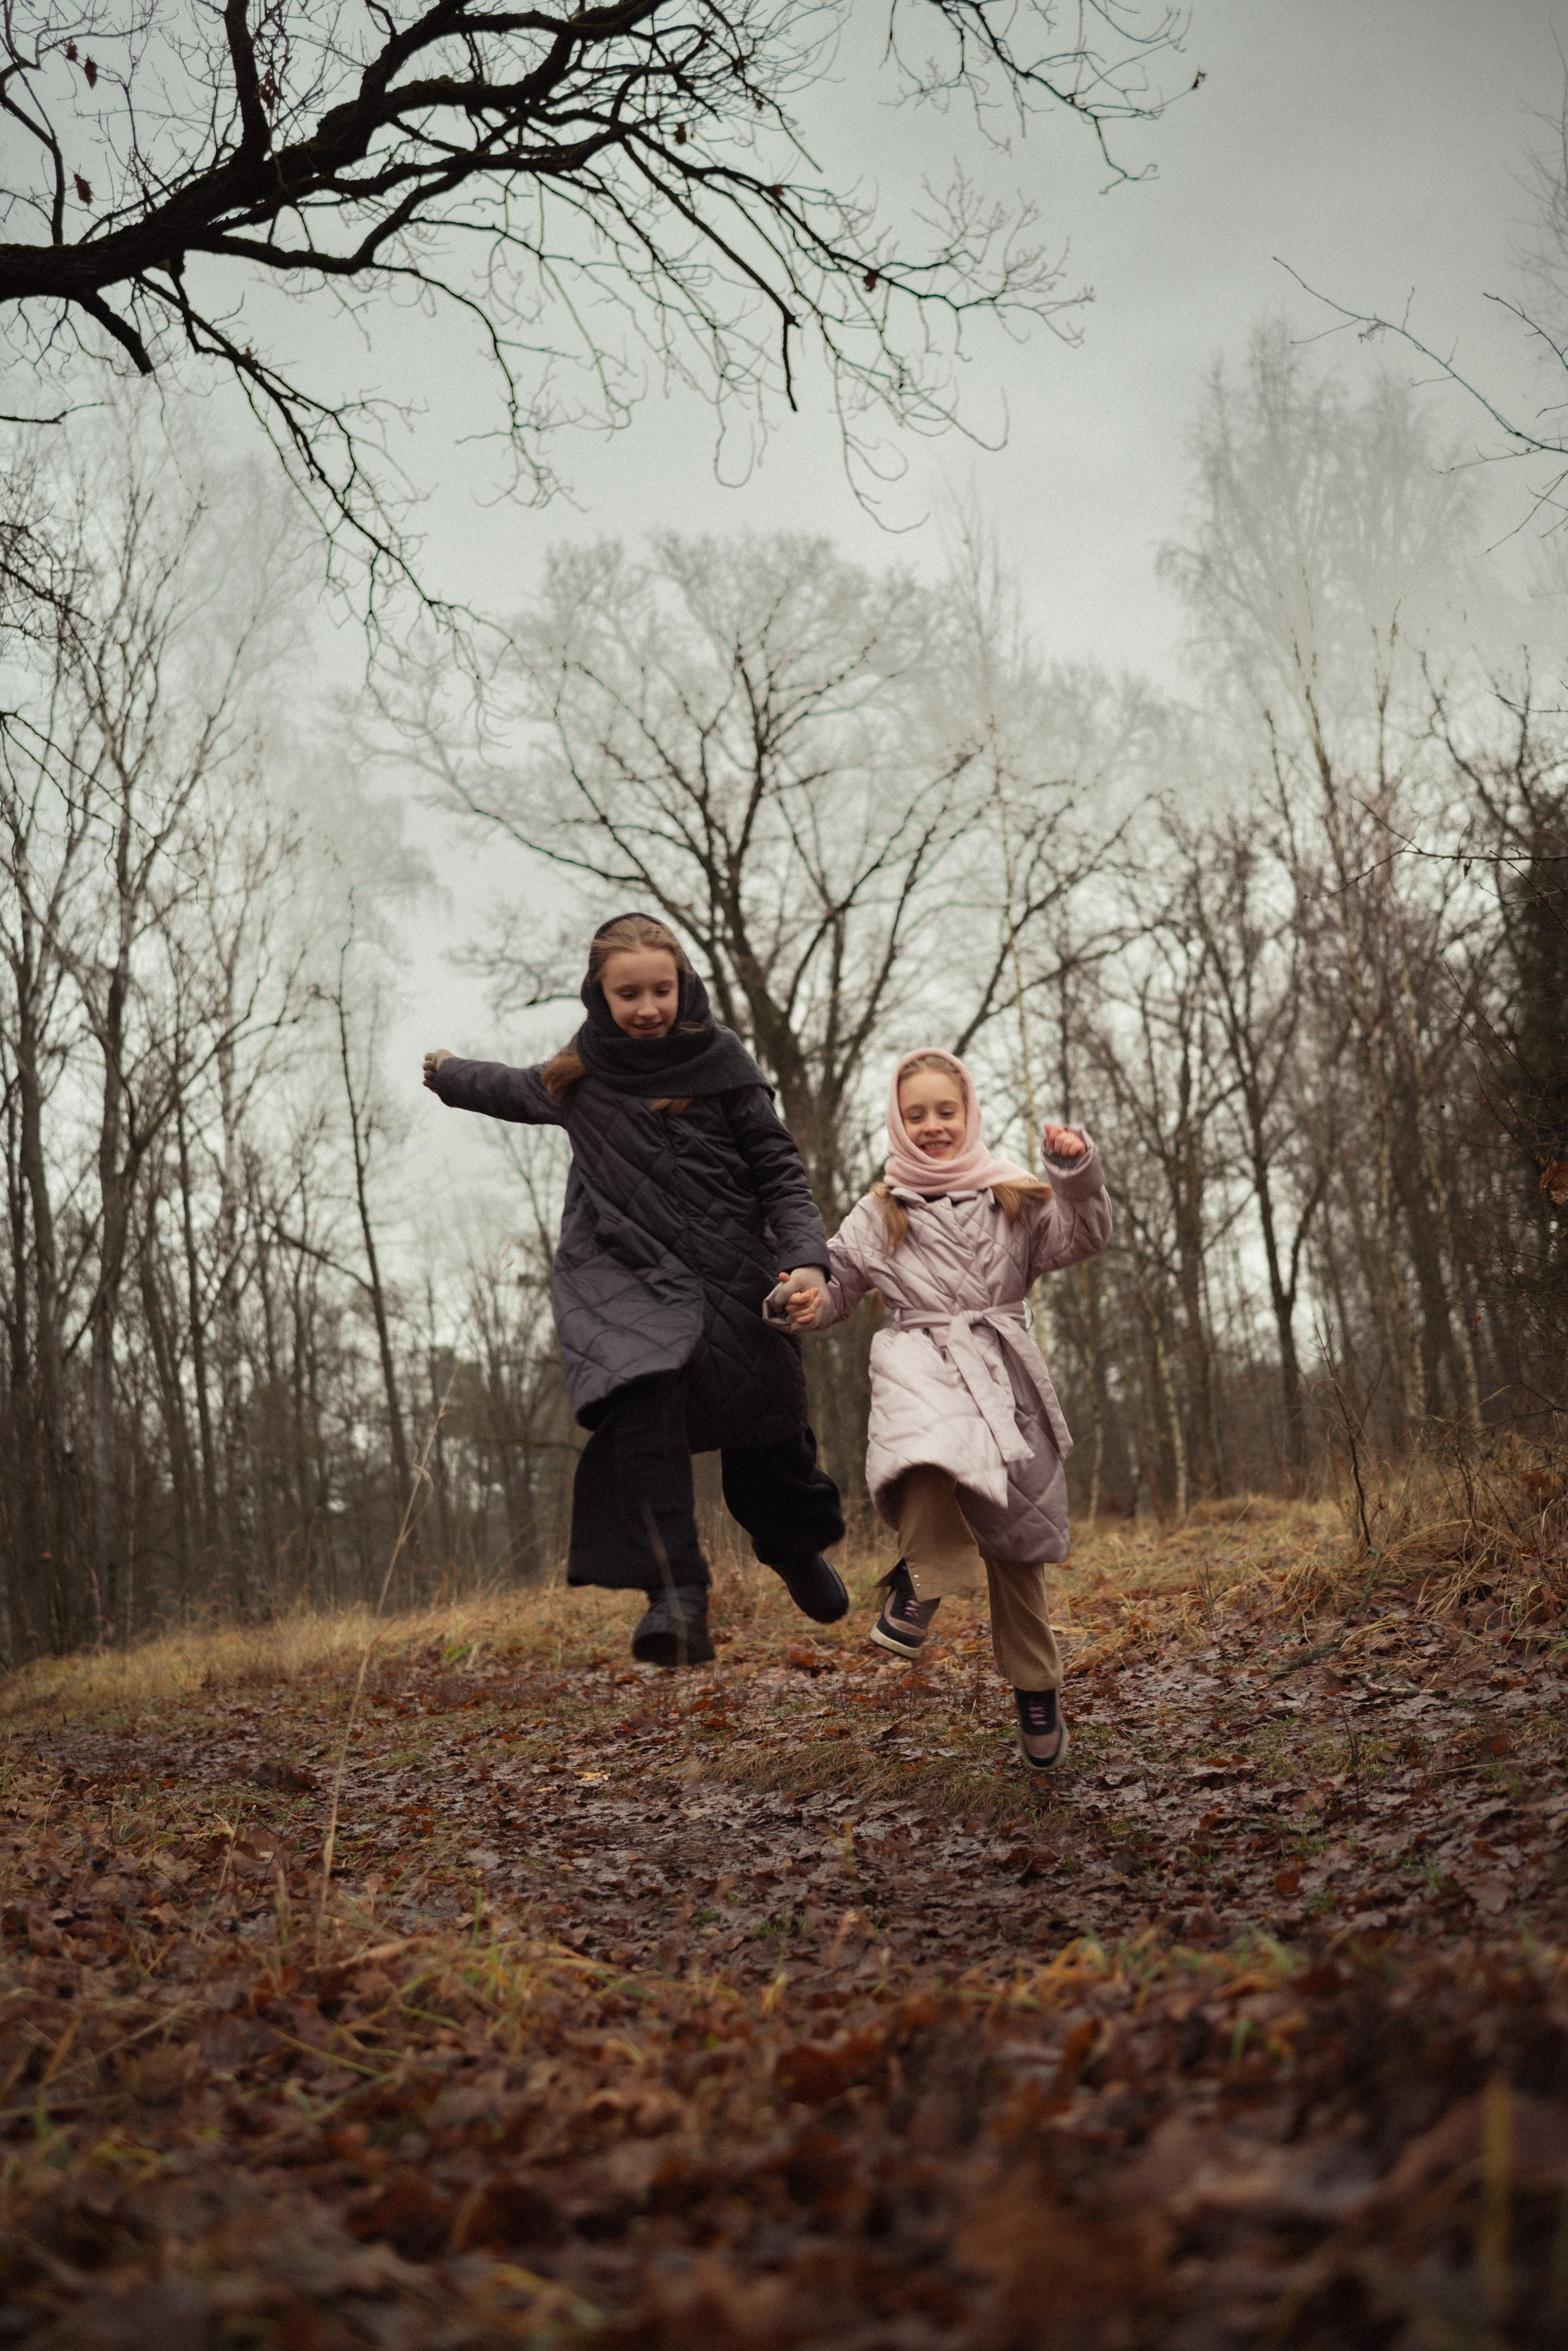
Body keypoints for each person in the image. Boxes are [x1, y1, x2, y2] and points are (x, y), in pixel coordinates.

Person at [423, 912, 845, 1667]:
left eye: (660, 989)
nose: (647, 1007)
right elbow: (513, 1089)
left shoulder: (727, 1067)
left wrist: (807, 1262)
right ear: (600, 995)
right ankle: (675, 1594)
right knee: (641, 1410)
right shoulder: (582, 1075)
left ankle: (791, 1545)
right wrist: (450, 1072)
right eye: (629, 994)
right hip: (627, 1280)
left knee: (769, 1433)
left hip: (732, 1273)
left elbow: (782, 1174)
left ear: (684, 984)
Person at [771, 1047, 1109, 1770]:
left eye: (944, 1112)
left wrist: (1073, 1173)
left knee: (1015, 1547)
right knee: (922, 1449)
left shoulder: (1013, 1195)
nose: (932, 1126)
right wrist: (806, 1297)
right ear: (897, 1122)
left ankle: (1035, 1689)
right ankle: (923, 1580)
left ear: (969, 1114)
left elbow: (1082, 1236)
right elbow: (836, 1285)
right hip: (921, 1354)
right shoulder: (879, 1209)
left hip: (1002, 1373)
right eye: (916, 1114)